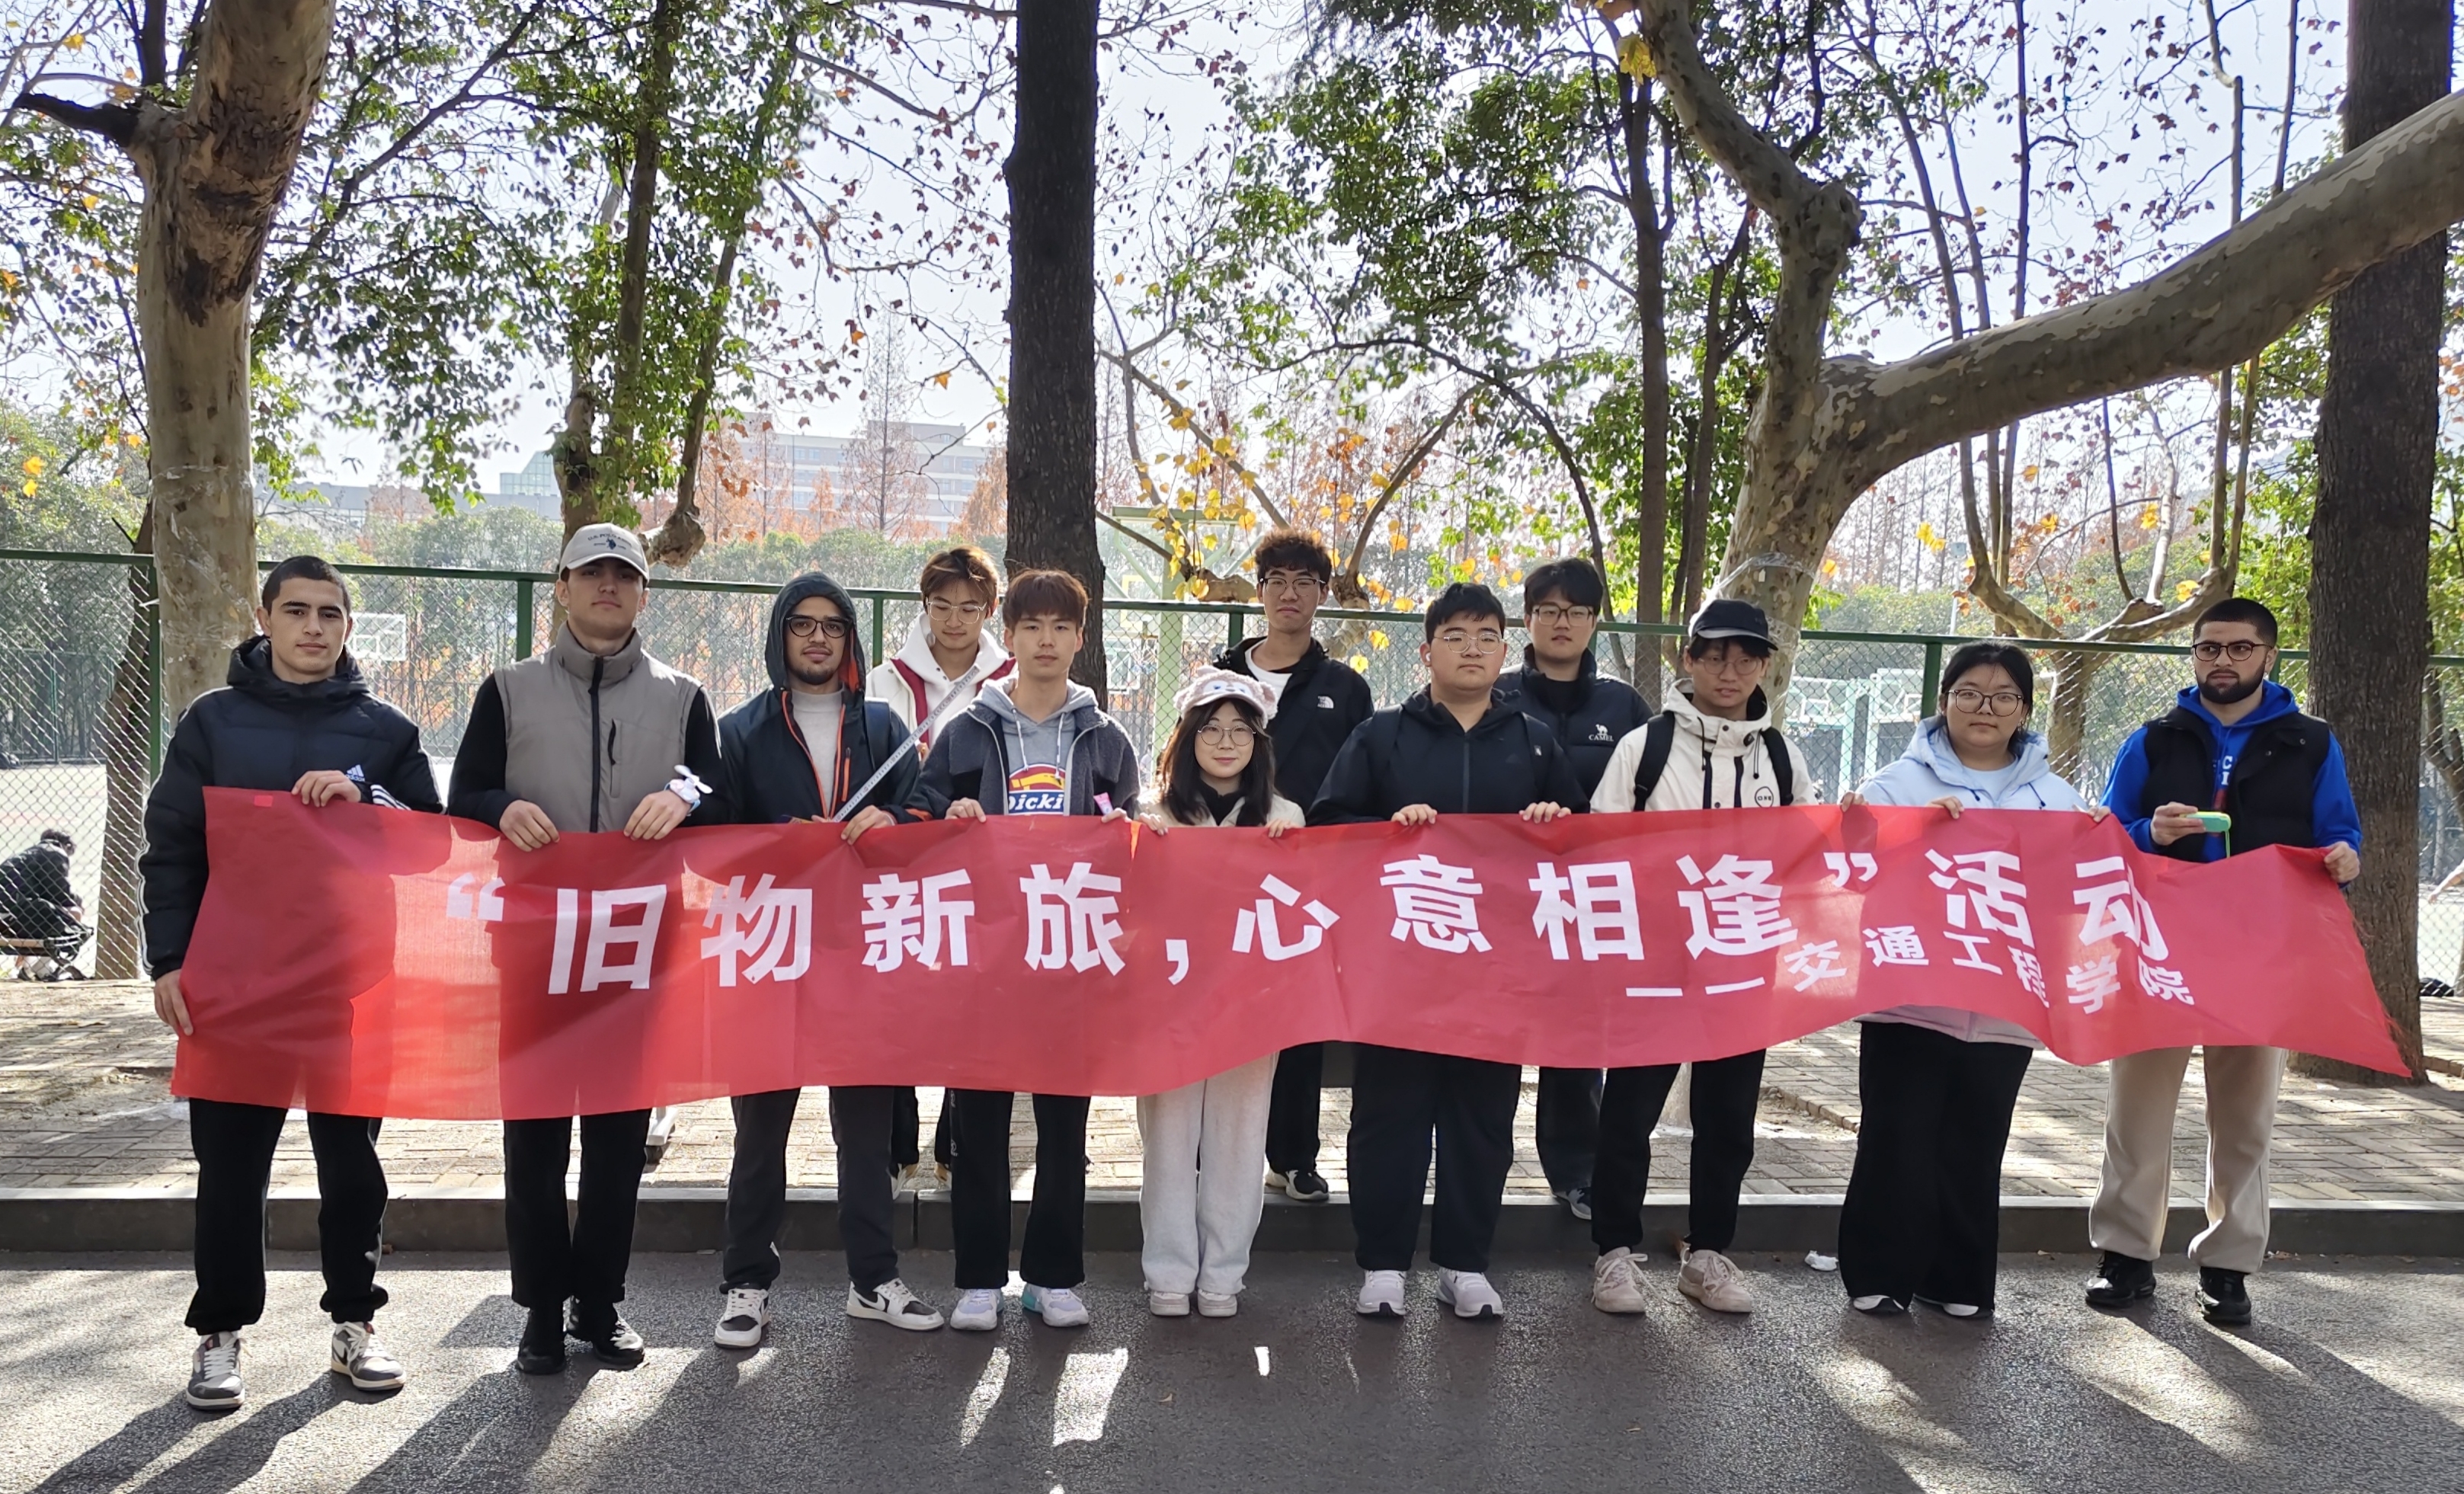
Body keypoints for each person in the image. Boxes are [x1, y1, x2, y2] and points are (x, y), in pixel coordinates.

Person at [141, 555, 441, 1412]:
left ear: (348, 625)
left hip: (348, 984)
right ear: (264, 616)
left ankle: (355, 1322)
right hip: (234, 986)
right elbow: (172, 850)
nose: (314, 627)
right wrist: (169, 960)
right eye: (298, 610)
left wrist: (364, 794)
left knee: (353, 1169)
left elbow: (430, 840)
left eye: (330, 613)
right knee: (232, 1172)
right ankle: (220, 1332)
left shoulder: (385, 731)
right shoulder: (211, 722)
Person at [446, 523, 728, 1374]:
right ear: (561, 587)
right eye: (591, 572)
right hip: (535, 945)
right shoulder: (508, 688)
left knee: (617, 1141)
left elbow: (719, 791)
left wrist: (684, 797)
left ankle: (599, 1302)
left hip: (637, 947)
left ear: (645, 594)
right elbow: (463, 791)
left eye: (624, 574)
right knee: (534, 1137)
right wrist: (501, 807)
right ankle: (539, 1305)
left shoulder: (684, 696)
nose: (609, 585)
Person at [1310, 582, 1583, 1320]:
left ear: (1505, 651)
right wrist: (1385, 827)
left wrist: (1554, 820)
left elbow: (1581, 847)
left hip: (1497, 973)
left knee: (1482, 1121)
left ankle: (1465, 1264)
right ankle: (1383, 1264)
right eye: (1456, 635)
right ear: (1426, 651)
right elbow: (1327, 828)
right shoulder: (1381, 735)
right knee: (1388, 1117)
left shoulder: (1534, 740)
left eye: (1487, 636)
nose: (1472, 648)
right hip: (1399, 968)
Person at [2086, 597, 2361, 1327]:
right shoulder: (2154, 737)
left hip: (2261, 952)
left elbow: (2341, 835)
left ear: (2269, 655)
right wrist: (2150, 832)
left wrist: (2344, 858)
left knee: (2245, 1115)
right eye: (2209, 648)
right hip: (2160, 947)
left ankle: (2229, 1265)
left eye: (2240, 648)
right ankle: (2125, 1255)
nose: (2222, 661)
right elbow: (2108, 832)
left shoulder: (2311, 742)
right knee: (2137, 1109)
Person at [1835, 643, 2105, 1318]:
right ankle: (1878, 1272)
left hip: (2007, 1005)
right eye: (1970, 693)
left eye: (2004, 696)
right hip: (1911, 1000)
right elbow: (1852, 869)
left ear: (2025, 710)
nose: (1986, 708)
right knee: (1897, 1137)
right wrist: (1881, 830)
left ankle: (1956, 1279)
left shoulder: (2057, 797)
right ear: (1943, 701)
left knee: (1977, 1144)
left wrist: (2100, 839)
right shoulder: (1897, 784)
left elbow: (2079, 892)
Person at [712, 572, 942, 1348]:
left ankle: (874, 1279)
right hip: (770, 953)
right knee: (760, 1134)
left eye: (833, 626)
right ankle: (746, 1283)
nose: (817, 638)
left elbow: (923, 816)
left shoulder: (884, 726)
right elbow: (711, 840)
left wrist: (894, 819)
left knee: (867, 1134)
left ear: (850, 639)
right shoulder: (739, 730)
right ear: (780, 634)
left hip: (861, 958)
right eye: (802, 624)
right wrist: (779, 840)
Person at [911, 568, 1141, 1331]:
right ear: (1007, 637)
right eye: (1032, 626)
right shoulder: (967, 730)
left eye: (1061, 627)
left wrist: (1125, 835)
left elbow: (1132, 837)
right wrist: (949, 813)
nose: (1046, 640)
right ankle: (979, 1280)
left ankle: (1052, 1277)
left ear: (1080, 638)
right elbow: (920, 815)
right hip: (984, 962)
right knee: (978, 1125)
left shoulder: (1105, 738)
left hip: (1070, 961)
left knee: (1064, 1129)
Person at [1586, 598, 1811, 1316]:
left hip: (1741, 960)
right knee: (1629, 1112)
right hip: (1655, 961)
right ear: (1689, 659)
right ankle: (1613, 1252)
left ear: (1765, 666)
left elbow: (1805, 853)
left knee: (1728, 1117)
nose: (1729, 670)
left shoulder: (1782, 756)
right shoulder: (1646, 747)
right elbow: (1600, 846)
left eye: (1746, 657)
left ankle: (1709, 1253)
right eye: (1714, 655)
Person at [1134, 668, 1304, 1318]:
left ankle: (1223, 1274)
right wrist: (1136, 848)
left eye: (1241, 729)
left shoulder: (1285, 816)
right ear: (1187, 738)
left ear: (1259, 742)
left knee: (1239, 1138)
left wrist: (1293, 854)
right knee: (1169, 1139)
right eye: (1211, 728)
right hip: (1170, 1003)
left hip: (1248, 1007)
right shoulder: (1152, 813)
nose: (1227, 742)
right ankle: (1169, 1272)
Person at [1214, 527, 1374, 1204]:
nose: (1289, 593)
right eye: (1277, 579)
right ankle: (1215, 1157)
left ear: (1322, 593)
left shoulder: (1346, 687)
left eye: (1305, 581)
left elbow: (1362, 779)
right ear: (1259, 591)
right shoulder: (1220, 678)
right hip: (1225, 875)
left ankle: (1293, 1157)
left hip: (1311, 877)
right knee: (1224, 1011)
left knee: (1302, 1017)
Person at [1496, 557, 1651, 1224]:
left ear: (1594, 622)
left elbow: (1649, 797)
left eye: (1577, 612)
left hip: (1589, 899)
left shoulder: (1624, 706)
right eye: (1549, 610)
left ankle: (1576, 1172)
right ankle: (1482, 1167)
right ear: (1528, 619)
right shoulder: (1495, 693)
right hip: (1502, 896)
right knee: (1494, 1036)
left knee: (1578, 1041)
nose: (1562, 623)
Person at [869, 544, 1012, 1187]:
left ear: (990, 610)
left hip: (981, 864)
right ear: (924, 605)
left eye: (969, 608)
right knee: (895, 994)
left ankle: (954, 1143)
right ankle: (897, 1146)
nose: (955, 620)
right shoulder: (885, 678)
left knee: (971, 998)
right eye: (942, 605)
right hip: (901, 859)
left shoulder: (1011, 680)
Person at [0, 828, 88, 978]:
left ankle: (28, 967)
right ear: (67, 846)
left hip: (9, 917)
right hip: (15, 917)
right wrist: (79, 901)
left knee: (43, 911)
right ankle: (41, 968)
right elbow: (61, 893)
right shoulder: (54, 852)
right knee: (75, 912)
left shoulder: (26, 856)